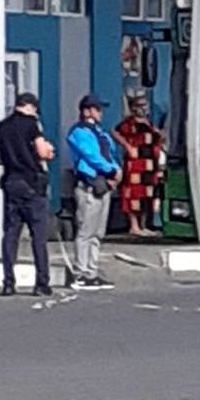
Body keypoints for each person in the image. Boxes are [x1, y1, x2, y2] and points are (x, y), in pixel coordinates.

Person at [0, 93, 56, 297]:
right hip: (32, 182)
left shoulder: (2, 126)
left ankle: (8, 282)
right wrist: (49, 152)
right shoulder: (32, 124)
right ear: (30, 107)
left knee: (11, 234)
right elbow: (42, 152)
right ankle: (41, 282)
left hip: (11, 182)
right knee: (38, 235)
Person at [68, 95, 122, 291]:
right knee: (86, 230)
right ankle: (80, 272)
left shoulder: (102, 134)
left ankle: (92, 271)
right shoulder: (79, 132)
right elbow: (91, 155)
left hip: (104, 185)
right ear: (86, 111)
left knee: (97, 232)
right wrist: (111, 170)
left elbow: (111, 154)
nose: (101, 113)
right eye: (97, 109)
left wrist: (116, 171)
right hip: (89, 184)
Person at [113, 95, 164, 237]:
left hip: (149, 164)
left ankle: (143, 225)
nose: (143, 108)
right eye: (139, 105)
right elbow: (115, 132)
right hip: (135, 164)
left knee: (147, 196)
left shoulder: (149, 123)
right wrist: (127, 146)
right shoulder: (129, 123)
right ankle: (134, 226)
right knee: (133, 195)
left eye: (145, 105)